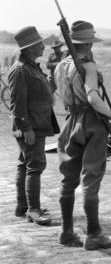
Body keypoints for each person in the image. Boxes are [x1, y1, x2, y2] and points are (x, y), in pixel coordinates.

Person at [55, 20, 111, 250]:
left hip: (70, 121)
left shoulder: (61, 66)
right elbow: (93, 98)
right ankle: (93, 234)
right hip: (91, 122)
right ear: (89, 44)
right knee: (91, 178)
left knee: (68, 179)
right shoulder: (88, 67)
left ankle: (66, 232)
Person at [8, 26, 60, 226]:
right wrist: (26, 128)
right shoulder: (21, 70)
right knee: (35, 165)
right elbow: (17, 104)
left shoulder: (30, 66)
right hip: (31, 126)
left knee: (25, 163)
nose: (43, 46)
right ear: (30, 48)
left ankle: (23, 206)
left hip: (37, 123)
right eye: (39, 44)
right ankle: (33, 210)